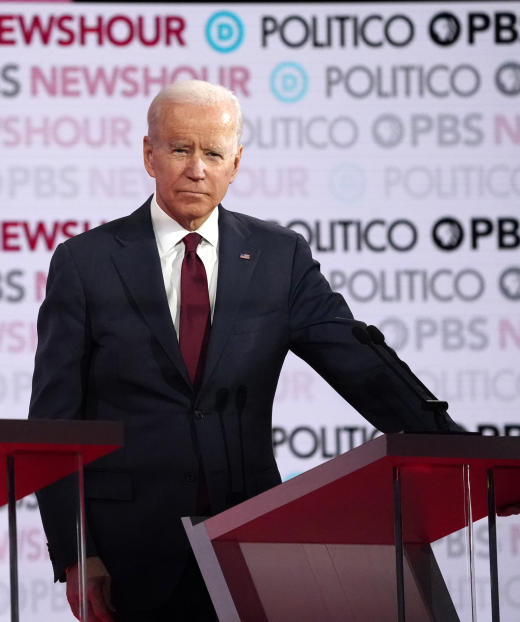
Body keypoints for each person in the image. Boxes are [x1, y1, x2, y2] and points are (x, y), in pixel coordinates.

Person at [28, 80, 457, 621]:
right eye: (181, 149)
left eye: (213, 153)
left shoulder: (280, 258)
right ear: (149, 154)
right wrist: (74, 553)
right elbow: (54, 421)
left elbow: (357, 362)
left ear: (236, 162)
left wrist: (452, 449)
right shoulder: (86, 262)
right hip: (126, 554)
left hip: (249, 540)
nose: (196, 168)